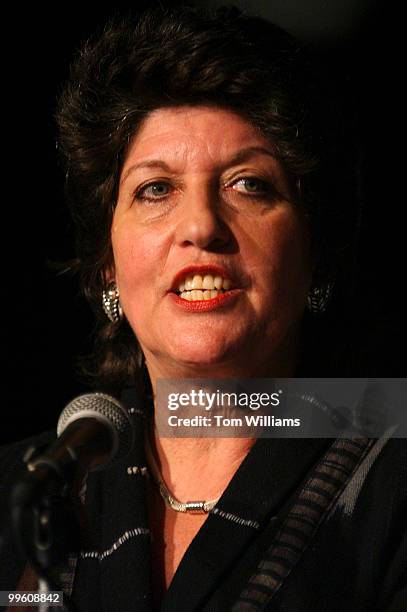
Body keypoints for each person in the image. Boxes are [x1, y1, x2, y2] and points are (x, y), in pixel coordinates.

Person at [0, 5, 406, 611]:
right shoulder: (29, 487)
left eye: (249, 184)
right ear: (107, 263)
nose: (200, 226)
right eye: (155, 190)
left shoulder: (392, 482)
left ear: (316, 252)